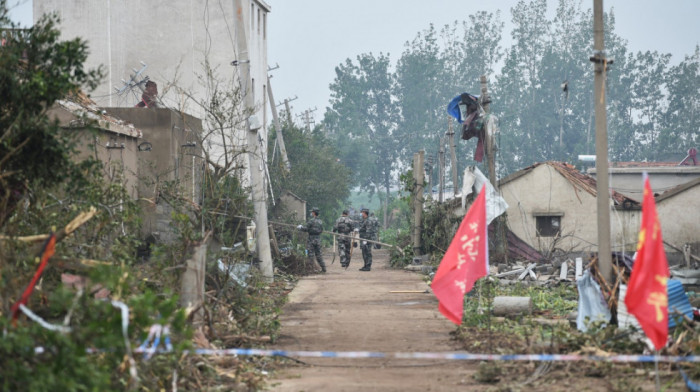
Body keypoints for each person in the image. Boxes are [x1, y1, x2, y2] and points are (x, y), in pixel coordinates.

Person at [297, 207, 326, 273]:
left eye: (312, 212)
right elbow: (321, 230)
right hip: (318, 239)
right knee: (319, 254)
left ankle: (311, 269)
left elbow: (306, 229)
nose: (311, 213)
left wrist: (300, 227)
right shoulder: (320, 221)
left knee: (310, 255)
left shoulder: (311, 221)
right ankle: (324, 268)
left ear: (313, 213)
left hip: (311, 240)